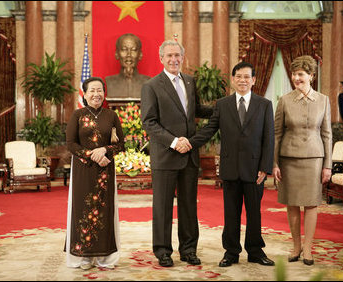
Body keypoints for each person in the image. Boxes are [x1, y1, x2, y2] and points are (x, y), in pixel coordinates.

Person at [187, 61, 275, 267]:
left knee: (254, 213)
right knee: (231, 213)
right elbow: (209, 130)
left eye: (247, 77)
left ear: (253, 80)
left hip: (255, 170)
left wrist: (265, 167)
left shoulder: (264, 105)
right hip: (230, 168)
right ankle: (231, 252)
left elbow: (269, 138)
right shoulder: (223, 104)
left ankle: (255, 251)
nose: (243, 80)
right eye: (239, 77)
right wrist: (189, 143)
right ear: (233, 80)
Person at [141, 40, 213, 267]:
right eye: (169, 55)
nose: (174, 59)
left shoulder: (190, 82)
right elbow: (149, 122)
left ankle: (189, 250)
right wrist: (174, 142)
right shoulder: (151, 86)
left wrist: (226, 107)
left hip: (189, 155)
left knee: (189, 206)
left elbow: (196, 111)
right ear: (161, 58)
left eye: (178, 55)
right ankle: (163, 251)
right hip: (165, 155)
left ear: (183, 57)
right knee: (162, 207)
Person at [272, 55, 332, 266]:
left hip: (315, 159)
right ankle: (296, 247)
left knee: (312, 204)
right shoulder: (284, 100)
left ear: (311, 76)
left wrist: (328, 166)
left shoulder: (324, 100)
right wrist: (275, 163)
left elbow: (327, 134)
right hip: (289, 158)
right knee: (292, 203)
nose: (296, 78)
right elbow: (277, 134)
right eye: (294, 74)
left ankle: (308, 249)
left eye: (301, 74)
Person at [65, 77, 125, 270]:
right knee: (82, 209)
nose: (96, 94)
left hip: (105, 169)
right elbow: (71, 144)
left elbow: (120, 144)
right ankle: (83, 257)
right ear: (84, 93)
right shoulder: (77, 115)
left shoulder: (111, 116)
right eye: (92, 90)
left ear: (104, 93)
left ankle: (104, 257)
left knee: (104, 211)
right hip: (83, 169)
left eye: (99, 90)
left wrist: (105, 151)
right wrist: (92, 154)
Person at [106, 33, 150, 99]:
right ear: (116, 54)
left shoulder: (149, 82)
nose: (129, 54)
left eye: (133, 50)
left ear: (140, 54)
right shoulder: (109, 81)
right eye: (124, 49)